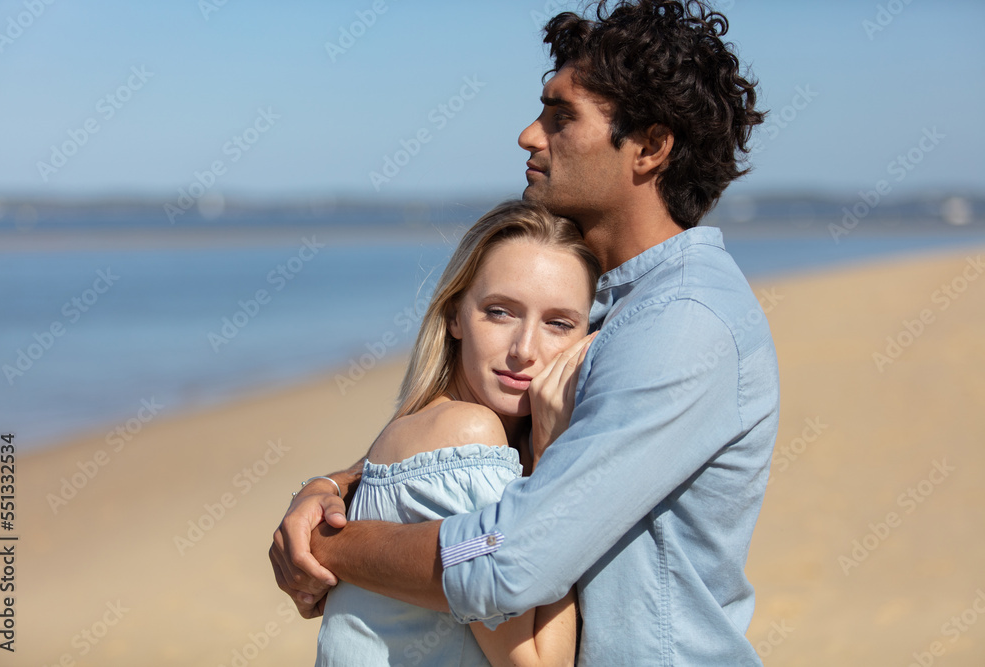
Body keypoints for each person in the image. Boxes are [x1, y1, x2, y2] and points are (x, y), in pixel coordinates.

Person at [271, 1, 778, 663]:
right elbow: (458, 453)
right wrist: (330, 487)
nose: (528, 135)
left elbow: (507, 560)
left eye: (560, 116)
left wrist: (333, 545)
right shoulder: (603, 305)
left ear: (650, 148)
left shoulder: (682, 324)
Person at [310, 199, 601, 666]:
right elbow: (542, 664)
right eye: (500, 312)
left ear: (588, 337)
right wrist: (553, 461)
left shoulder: (441, 428)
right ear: (454, 316)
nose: (525, 350)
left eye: (558, 323)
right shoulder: (467, 432)